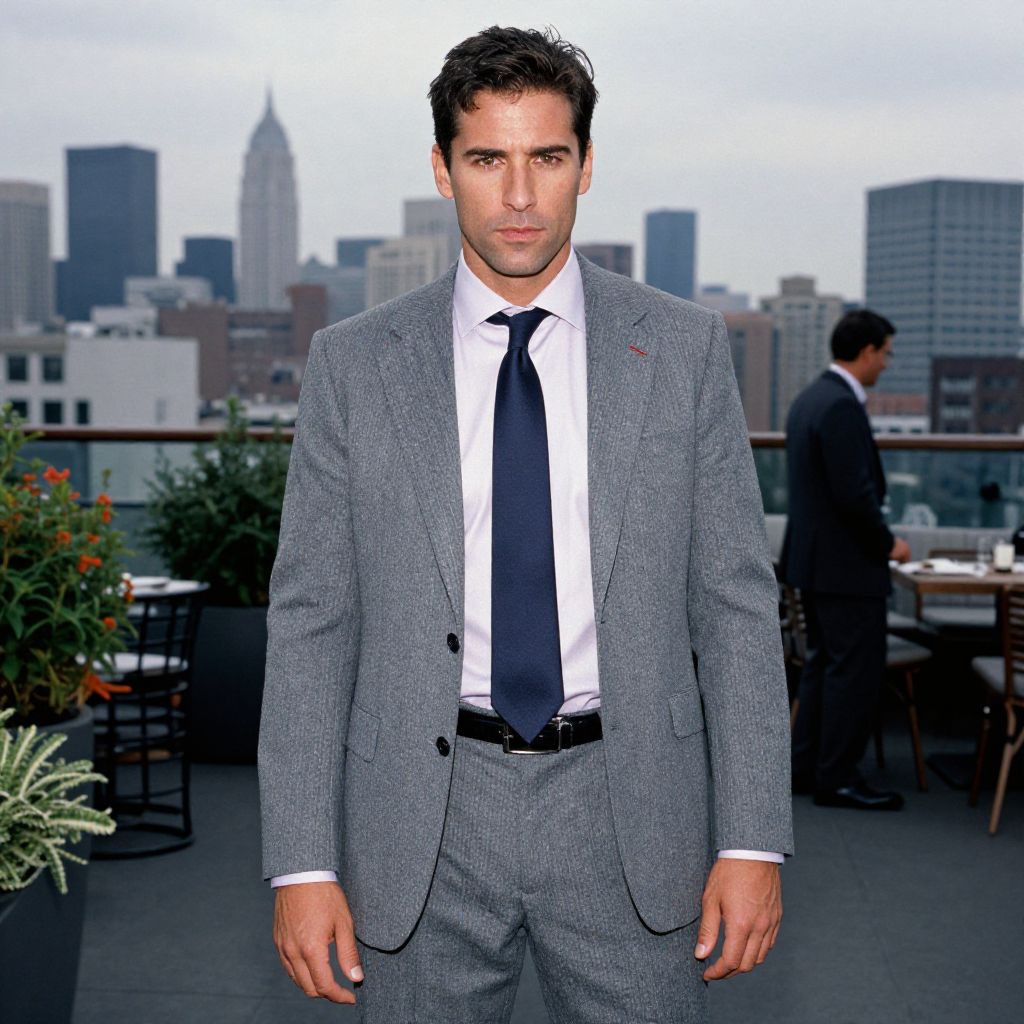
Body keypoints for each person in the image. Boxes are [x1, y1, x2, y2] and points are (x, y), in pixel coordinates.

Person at [259, 26, 792, 1023]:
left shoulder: (682, 349)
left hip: (632, 809)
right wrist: (299, 859)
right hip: (420, 822)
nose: (516, 195)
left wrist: (751, 839)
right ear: (441, 168)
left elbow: (732, 609)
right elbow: (310, 623)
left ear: (585, 167)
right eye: (486, 159)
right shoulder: (353, 361)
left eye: (545, 157)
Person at [781, 309, 911, 811]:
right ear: (868, 351)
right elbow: (853, 495)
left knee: (824, 667)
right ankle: (838, 778)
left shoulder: (811, 399)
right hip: (847, 567)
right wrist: (888, 544)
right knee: (853, 672)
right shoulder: (840, 406)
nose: (887, 364)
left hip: (816, 563)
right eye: (887, 353)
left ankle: (807, 766)